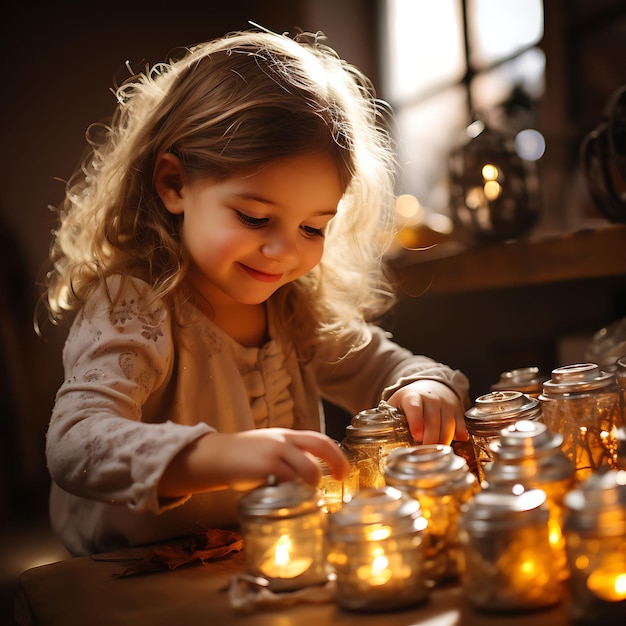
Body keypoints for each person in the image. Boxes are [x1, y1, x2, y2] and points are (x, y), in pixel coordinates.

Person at [42, 27, 470, 557]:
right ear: (175, 185)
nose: (284, 253)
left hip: (257, 559)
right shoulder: (133, 307)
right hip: (129, 577)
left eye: (313, 228)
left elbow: (387, 369)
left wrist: (425, 388)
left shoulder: (295, 308)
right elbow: (75, 442)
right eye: (254, 217)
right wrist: (218, 456)